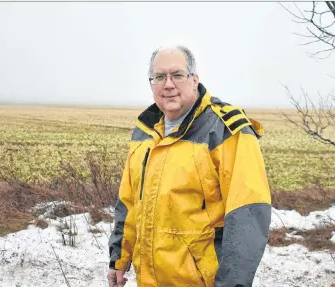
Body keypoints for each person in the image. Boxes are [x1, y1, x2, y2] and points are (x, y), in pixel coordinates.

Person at [107, 44, 272, 287]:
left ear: (194, 80)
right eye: (159, 77)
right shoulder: (145, 133)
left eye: (177, 75)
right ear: (151, 83)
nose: (168, 84)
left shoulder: (226, 131)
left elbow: (247, 219)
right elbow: (129, 203)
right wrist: (118, 260)